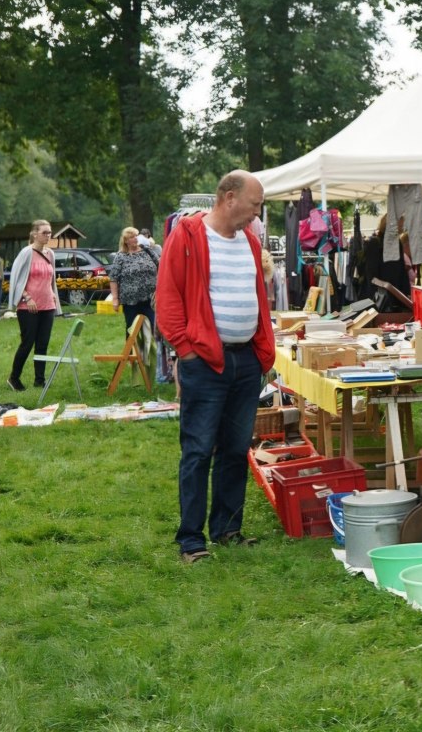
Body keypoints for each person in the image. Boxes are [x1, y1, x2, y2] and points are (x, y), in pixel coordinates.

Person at [157, 170, 275, 563]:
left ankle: (227, 528)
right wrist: (187, 351)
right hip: (205, 361)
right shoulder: (188, 236)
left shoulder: (251, 240)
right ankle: (191, 540)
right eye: (254, 204)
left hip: (244, 361)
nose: (258, 212)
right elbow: (169, 298)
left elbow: (258, 296)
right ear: (228, 198)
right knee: (198, 450)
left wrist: (260, 354)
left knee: (235, 448)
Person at [6, 220, 61, 391]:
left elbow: (51, 278)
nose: (48, 236)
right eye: (45, 232)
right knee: (27, 342)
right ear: (35, 234)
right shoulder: (26, 253)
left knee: (42, 344)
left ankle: (40, 380)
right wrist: (27, 297)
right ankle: (14, 378)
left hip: (47, 305)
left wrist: (52, 293)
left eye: (50, 232)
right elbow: (16, 279)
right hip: (28, 306)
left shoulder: (50, 253)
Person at [108, 226, 159, 340]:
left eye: (136, 235)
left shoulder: (147, 251)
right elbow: (113, 278)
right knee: (131, 330)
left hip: (150, 299)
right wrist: (115, 299)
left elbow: (161, 265)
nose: (135, 238)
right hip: (130, 301)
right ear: (126, 240)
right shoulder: (120, 256)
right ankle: (131, 355)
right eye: (132, 237)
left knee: (154, 328)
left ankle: (155, 355)